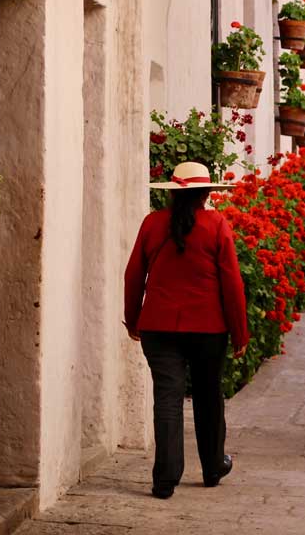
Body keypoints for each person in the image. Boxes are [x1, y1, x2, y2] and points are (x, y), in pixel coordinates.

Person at [123, 161, 248, 499]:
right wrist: (240, 332)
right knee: (208, 396)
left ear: (174, 193)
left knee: (167, 398)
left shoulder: (152, 224)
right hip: (208, 328)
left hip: (159, 327)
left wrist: (133, 319)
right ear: (207, 193)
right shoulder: (216, 225)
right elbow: (232, 283)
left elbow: (133, 275)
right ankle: (212, 467)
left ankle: (165, 479)